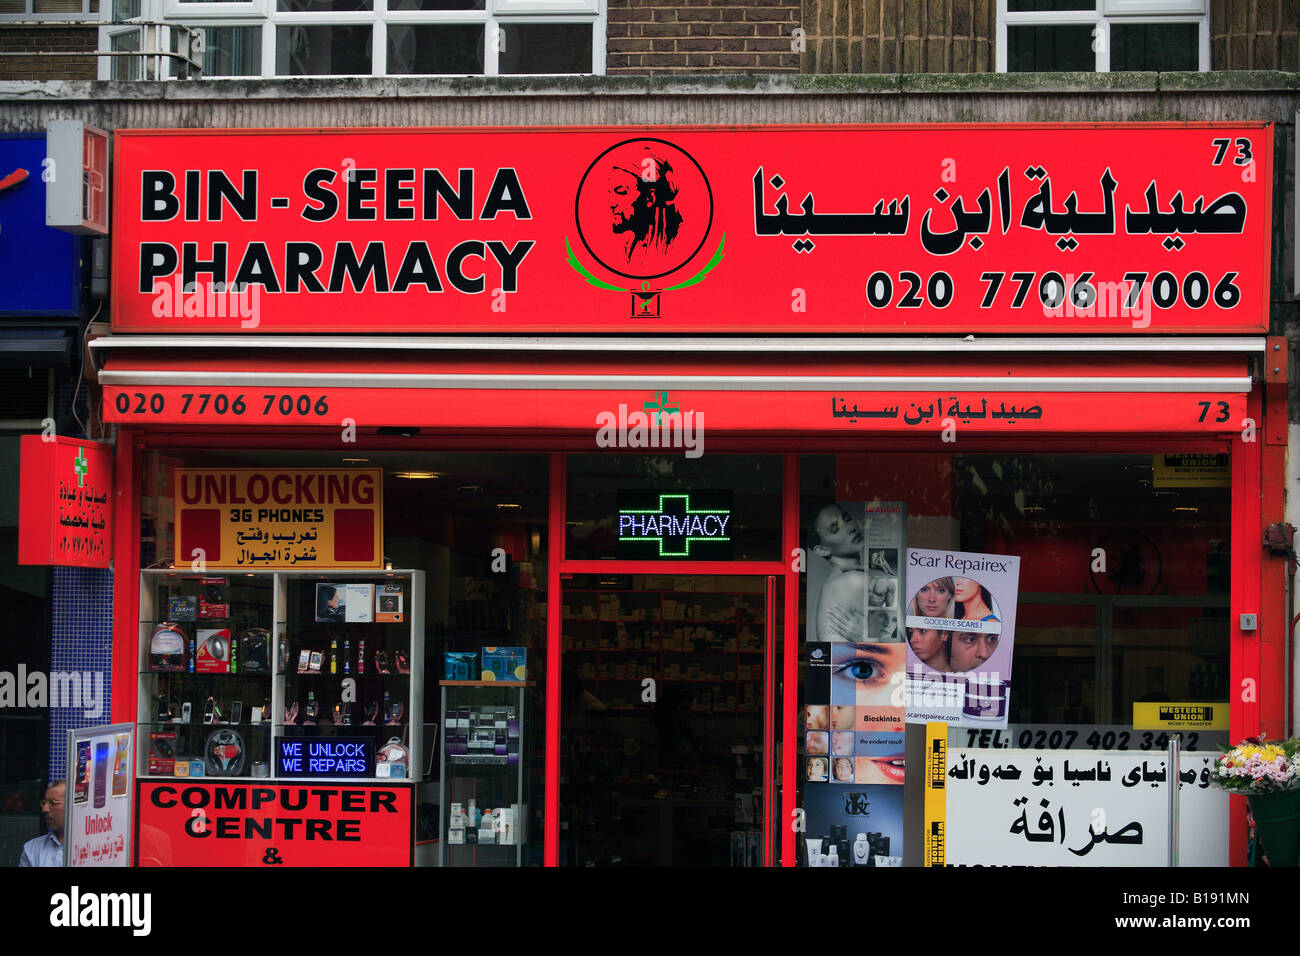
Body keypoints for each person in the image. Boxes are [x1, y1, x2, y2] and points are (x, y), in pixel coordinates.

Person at [608, 149, 683, 264]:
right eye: (610, 193)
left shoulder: (677, 243)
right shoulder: (631, 246)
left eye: (621, 192)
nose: (611, 204)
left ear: (650, 199)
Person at [812, 503, 869, 641]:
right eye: (835, 529)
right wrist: (867, 637)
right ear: (822, 550)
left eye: (847, 519)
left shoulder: (831, 584)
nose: (850, 528)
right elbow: (900, 652)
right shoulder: (855, 581)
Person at [19, 780, 65, 867]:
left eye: (53, 803)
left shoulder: (90, 848)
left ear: (71, 805)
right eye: (44, 803)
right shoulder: (32, 849)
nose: (45, 809)